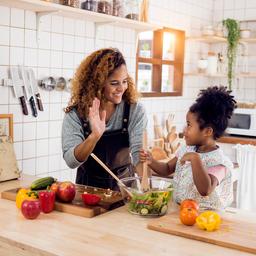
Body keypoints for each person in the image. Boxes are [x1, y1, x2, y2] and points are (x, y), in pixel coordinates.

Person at [62, 48, 147, 190]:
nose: (122, 88)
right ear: (97, 84)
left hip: (124, 188)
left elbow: (138, 153)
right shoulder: (76, 114)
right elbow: (71, 161)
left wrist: (146, 188)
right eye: (114, 83)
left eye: (124, 81)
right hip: (87, 190)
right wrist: (94, 136)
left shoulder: (135, 110)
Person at [140, 86, 236, 210]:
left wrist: (195, 159)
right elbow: (167, 168)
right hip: (182, 212)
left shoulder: (220, 163)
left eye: (189, 125)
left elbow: (205, 189)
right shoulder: (187, 149)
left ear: (207, 131)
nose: (184, 130)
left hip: (206, 217)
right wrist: (151, 161)